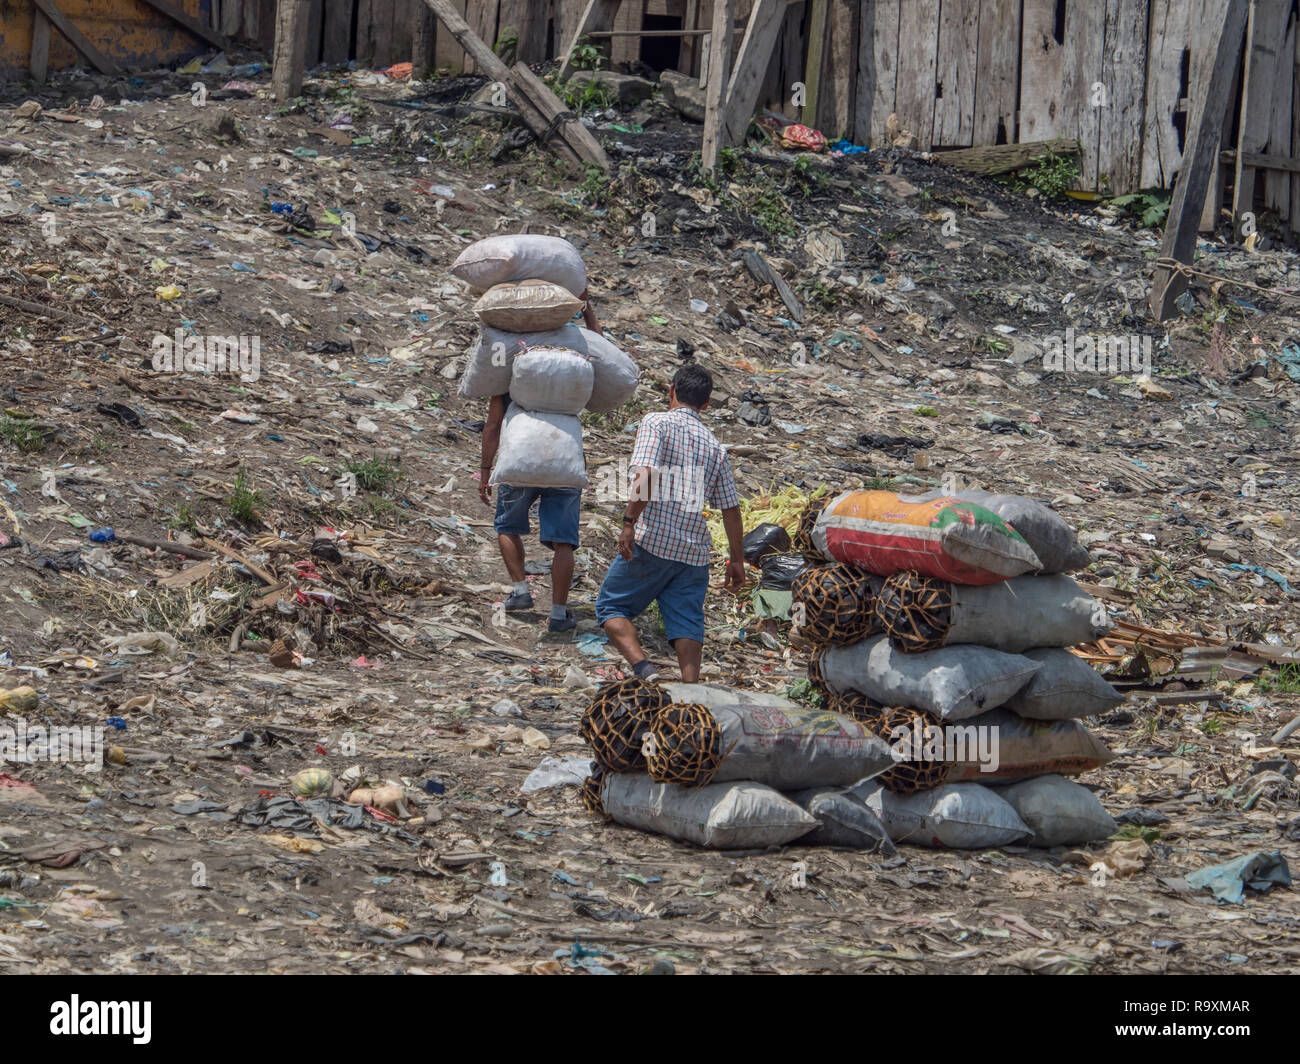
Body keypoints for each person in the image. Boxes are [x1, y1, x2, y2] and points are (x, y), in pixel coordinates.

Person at [596, 364, 745, 682]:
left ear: (671, 390)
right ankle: (691, 688)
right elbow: (731, 509)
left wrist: (628, 522)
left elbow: (646, 474)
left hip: (653, 542)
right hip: (693, 554)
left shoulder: (656, 423)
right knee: (687, 622)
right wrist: (737, 560)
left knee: (611, 607)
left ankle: (645, 671)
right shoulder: (715, 447)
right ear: (706, 404)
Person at [477, 288, 602, 635]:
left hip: (521, 452)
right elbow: (600, 349)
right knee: (564, 542)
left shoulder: (514, 367)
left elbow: (492, 424)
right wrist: (587, 308)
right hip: (564, 453)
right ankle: (560, 613)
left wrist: (486, 469)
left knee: (507, 526)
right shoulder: (573, 359)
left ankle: (520, 591)